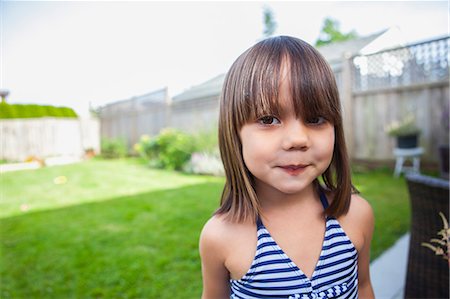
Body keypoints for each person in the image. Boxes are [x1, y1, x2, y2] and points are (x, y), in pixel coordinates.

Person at [199, 36, 374, 299]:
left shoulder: (356, 214)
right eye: (268, 119)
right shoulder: (220, 236)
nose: (298, 140)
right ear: (234, 133)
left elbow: (362, 287)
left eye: (315, 118)